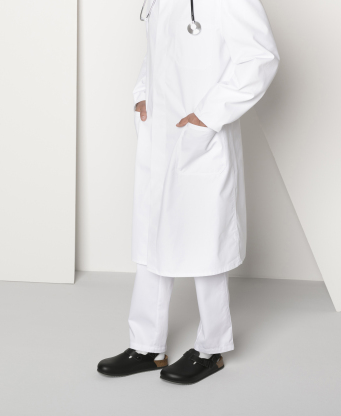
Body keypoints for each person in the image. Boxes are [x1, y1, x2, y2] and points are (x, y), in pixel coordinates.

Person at [97, 0, 279, 384]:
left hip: (200, 139)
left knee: (204, 244)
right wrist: (142, 94)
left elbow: (260, 58)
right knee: (151, 243)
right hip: (160, 139)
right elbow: (156, 53)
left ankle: (211, 349)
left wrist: (208, 116)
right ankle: (146, 346)